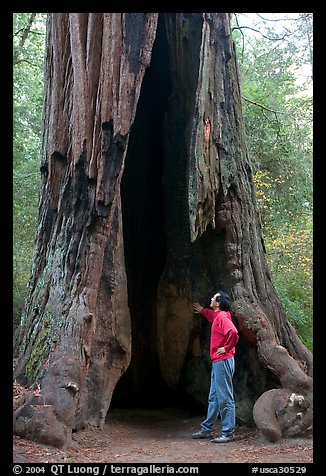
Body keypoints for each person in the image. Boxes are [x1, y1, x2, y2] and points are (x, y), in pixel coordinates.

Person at [191, 290, 239, 443]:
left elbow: (233, 332)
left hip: (223, 360)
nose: (210, 299)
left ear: (218, 303)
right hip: (218, 361)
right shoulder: (218, 316)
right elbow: (212, 316)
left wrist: (226, 347)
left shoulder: (223, 318)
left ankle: (228, 432)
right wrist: (202, 311)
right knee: (214, 397)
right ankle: (207, 429)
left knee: (225, 397)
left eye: (213, 298)